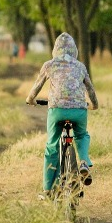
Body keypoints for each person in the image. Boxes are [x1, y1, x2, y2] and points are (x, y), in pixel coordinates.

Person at [25, 32, 98, 197]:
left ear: (55, 49)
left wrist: (30, 99)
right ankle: (84, 162)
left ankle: (47, 189)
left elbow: (36, 88)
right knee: (81, 135)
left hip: (57, 110)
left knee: (52, 145)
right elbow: (90, 89)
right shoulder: (80, 66)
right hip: (79, 110)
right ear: (74, 50)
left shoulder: (49, 65)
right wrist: (94, 105)